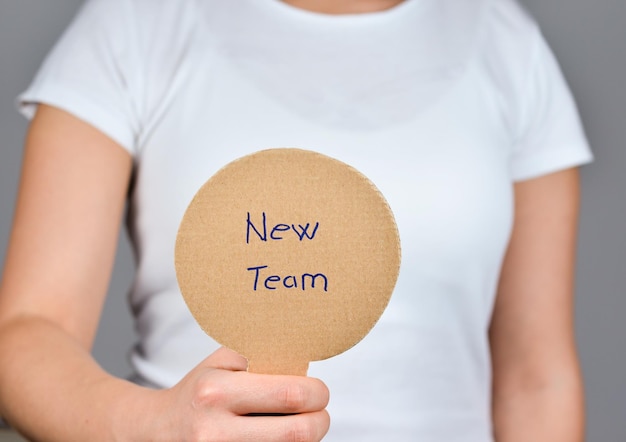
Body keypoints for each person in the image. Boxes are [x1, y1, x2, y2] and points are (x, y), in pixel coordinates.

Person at [0, 0, 592, 440]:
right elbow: (24, 332)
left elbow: (536, 377)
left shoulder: (508, 46)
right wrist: (150, 428)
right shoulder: (136, 24)